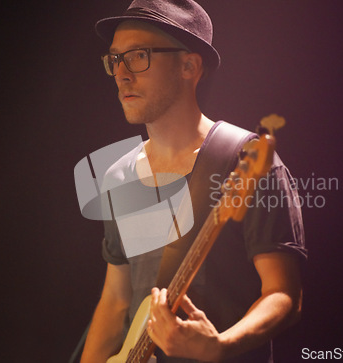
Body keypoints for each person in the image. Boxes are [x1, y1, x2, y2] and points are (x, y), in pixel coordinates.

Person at [80, 1, 307, 362]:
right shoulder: (118, 175)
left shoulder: (243, 161)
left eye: (138, 56)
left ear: (189, 65)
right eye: (114, 59)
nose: (121, 73)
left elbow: (283, 294)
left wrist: (220, 345)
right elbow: (115, 302)